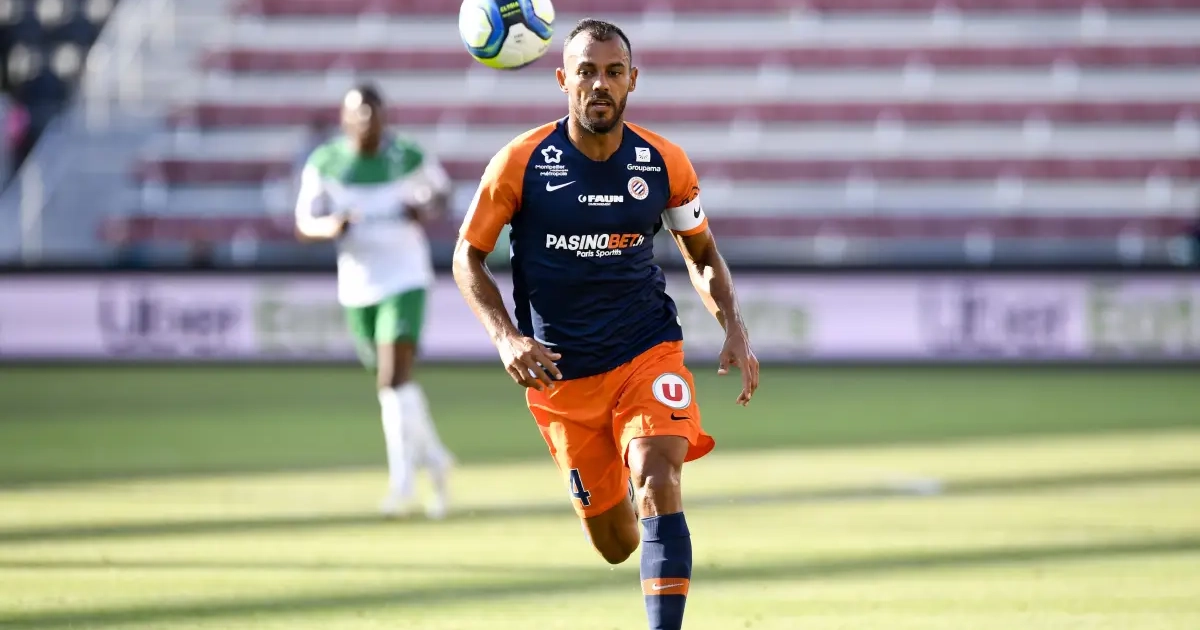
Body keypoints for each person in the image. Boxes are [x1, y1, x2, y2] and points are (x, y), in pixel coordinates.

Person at [452, 18, 759, 630]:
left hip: (647, 350)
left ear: (632, 80)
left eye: (613, 72)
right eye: (586, 72)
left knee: (658, 476)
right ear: (562, 80)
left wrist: (734, 326)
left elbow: (701, 253)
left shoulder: (664, 161)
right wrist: (506, 337)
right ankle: (623, 475)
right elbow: (467, 257)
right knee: (617, 543)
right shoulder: (519, 162)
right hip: (562, 378)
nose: (600, 84)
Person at [294, 83, 456, 520]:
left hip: (405, 277)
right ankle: (436, 459)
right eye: (358, 114)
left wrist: (424, 208)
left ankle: (402, 484)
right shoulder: (325, 161)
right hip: (357, 284)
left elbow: (442, 194)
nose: (367, 123)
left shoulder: (408, 155)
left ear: (386, 118)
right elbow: (304, 222)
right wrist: (331, 227)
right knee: (395, 388)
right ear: (344, 119)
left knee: (391, 379)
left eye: (374, 114)